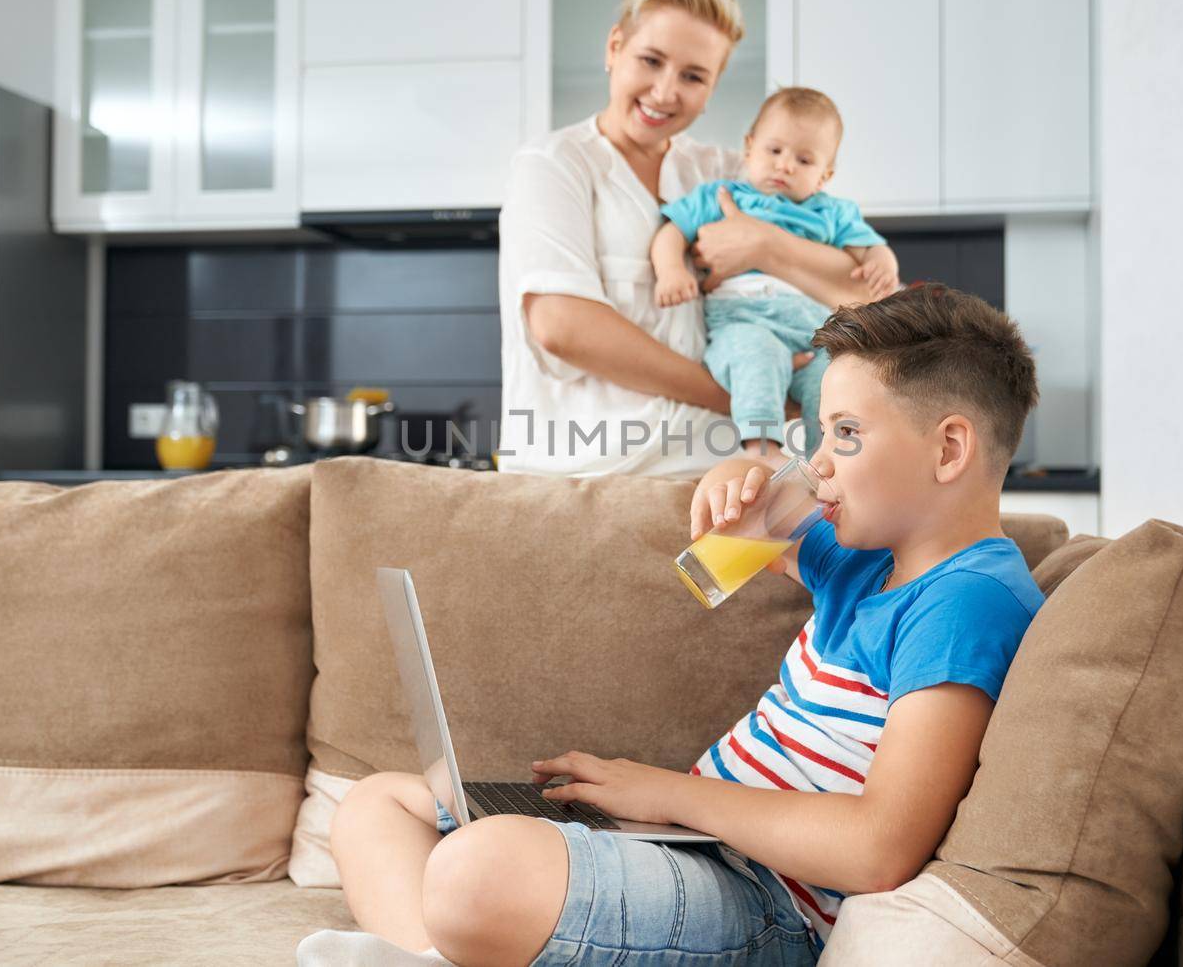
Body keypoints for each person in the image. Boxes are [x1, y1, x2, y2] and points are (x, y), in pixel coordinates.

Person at [327, 284, 1045, 966]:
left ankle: (438, 939)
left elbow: (879, 847)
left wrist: (665, 792)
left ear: (949, 450)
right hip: (691, 841)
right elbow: (727, 546)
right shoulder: (868, 554)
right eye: (819, 430)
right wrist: (729, 476)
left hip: (770, 898)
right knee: (375, 803)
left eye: (847, 432)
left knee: (470, 873)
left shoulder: (967, 600)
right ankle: (431, 953)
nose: (819, 461)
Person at [496, 0, 880, 479]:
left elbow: (870, 296)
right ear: (615, 49)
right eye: (650, 61)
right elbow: (562, 326)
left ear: (713, 85)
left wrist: (763, 246)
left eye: (693, 76)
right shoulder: (554, 165)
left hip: (722, 478)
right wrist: (744, 394)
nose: (665, 92)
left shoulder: (727, 173)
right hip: (589, 476)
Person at [651, 87, 901, 456]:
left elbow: (870, 248)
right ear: (749, 147)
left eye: (803, 160)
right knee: (756, 354)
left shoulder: (831, 212)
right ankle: (761, 450)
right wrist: (671, 270)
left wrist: (883, 261)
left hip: (815, 335)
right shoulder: (722, 196)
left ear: (824, 174)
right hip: (743, 322)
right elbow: (671, 232)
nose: (785, 165)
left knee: (837, 379)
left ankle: (828, 461)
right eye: (774, 151)